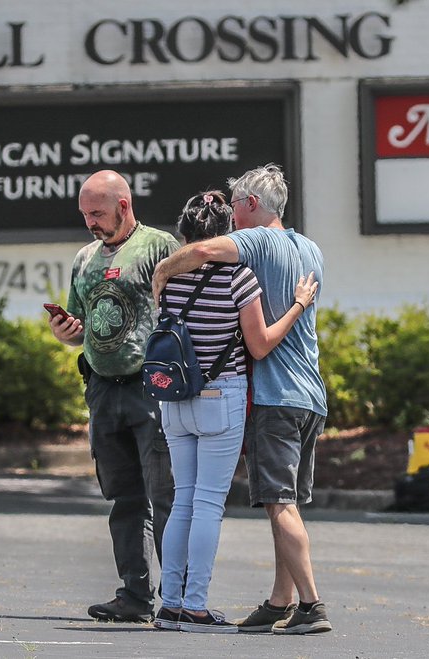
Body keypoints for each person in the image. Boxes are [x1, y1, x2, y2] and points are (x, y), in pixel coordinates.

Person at [152, 164, 331, 635]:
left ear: (251, 204)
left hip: (263, 396)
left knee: (207, 501)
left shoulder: (253, 247)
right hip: (307, 393)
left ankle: (307, 606)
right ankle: (279, 601)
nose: (232, 218)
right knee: (280, 501)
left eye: (236, 205)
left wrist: (164, 268)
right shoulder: (309, 250)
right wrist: (296, 304)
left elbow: (208, 251)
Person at [49, 170, 177, 623]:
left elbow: (186, 311)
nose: (90, 222)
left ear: (124, 206)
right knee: (123, 496)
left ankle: (178, 598)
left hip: (150, 388)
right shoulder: (84, 258)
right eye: (85, 214)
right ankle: (136, 596)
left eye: (97, 213)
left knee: (165, 494)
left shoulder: (160, 246)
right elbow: (79, 322)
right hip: (103, 389)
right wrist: (66, 332)